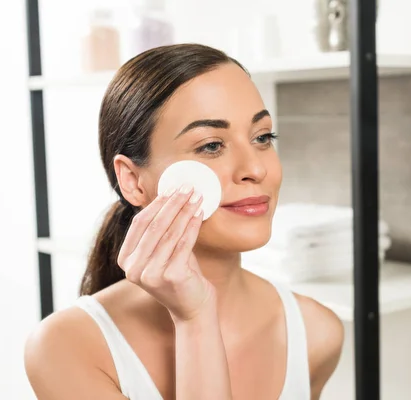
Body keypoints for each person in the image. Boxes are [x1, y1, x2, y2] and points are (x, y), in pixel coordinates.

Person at [24, 43, 344, 400]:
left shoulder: (316, 333)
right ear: (132, 180)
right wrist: (195, 320)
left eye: (262, 137)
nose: (255, 169)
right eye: (210, 146)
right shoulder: (68, 349)